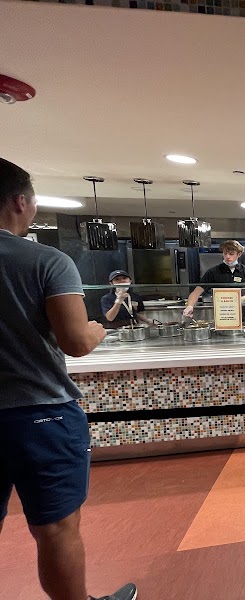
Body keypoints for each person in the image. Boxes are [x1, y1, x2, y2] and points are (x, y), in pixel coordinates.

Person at [0, 158, 137, 599]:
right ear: (21, 202)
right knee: (56, 528)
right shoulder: (45, 260)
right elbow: (75, 341)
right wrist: (98, 328)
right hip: (39, 414)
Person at [182, 239, 245, 318]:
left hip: (244, 315)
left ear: (239, 254)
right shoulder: (212, 272)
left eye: (231, 254)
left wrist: (244, 300)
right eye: (225, 253)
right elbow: (197, 291)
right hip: (222, 315)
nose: (228, 256)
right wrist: (190, 306)